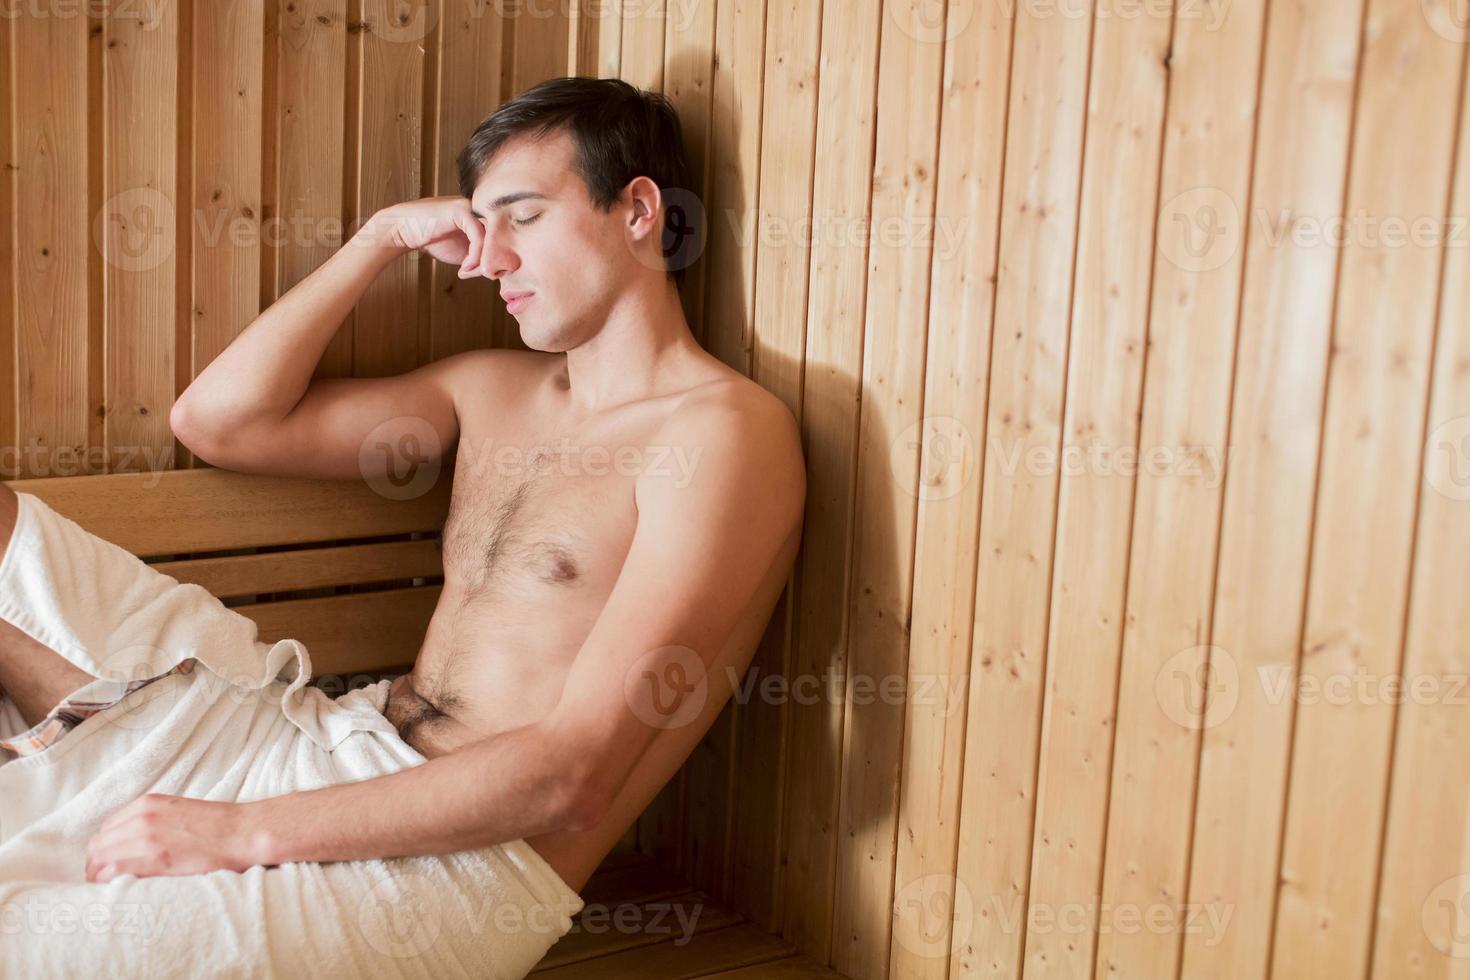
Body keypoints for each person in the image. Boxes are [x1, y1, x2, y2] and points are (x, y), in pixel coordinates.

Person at [0, 76, 806, 900]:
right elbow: (219, 423)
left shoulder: (723, 433)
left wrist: (236, 834)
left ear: (637, 211)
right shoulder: (491, 391)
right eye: (483, 227)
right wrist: (379, 239)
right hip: (331, 745)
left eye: (523, 218)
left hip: (465, 862)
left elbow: (575, 774)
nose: (490, 260)